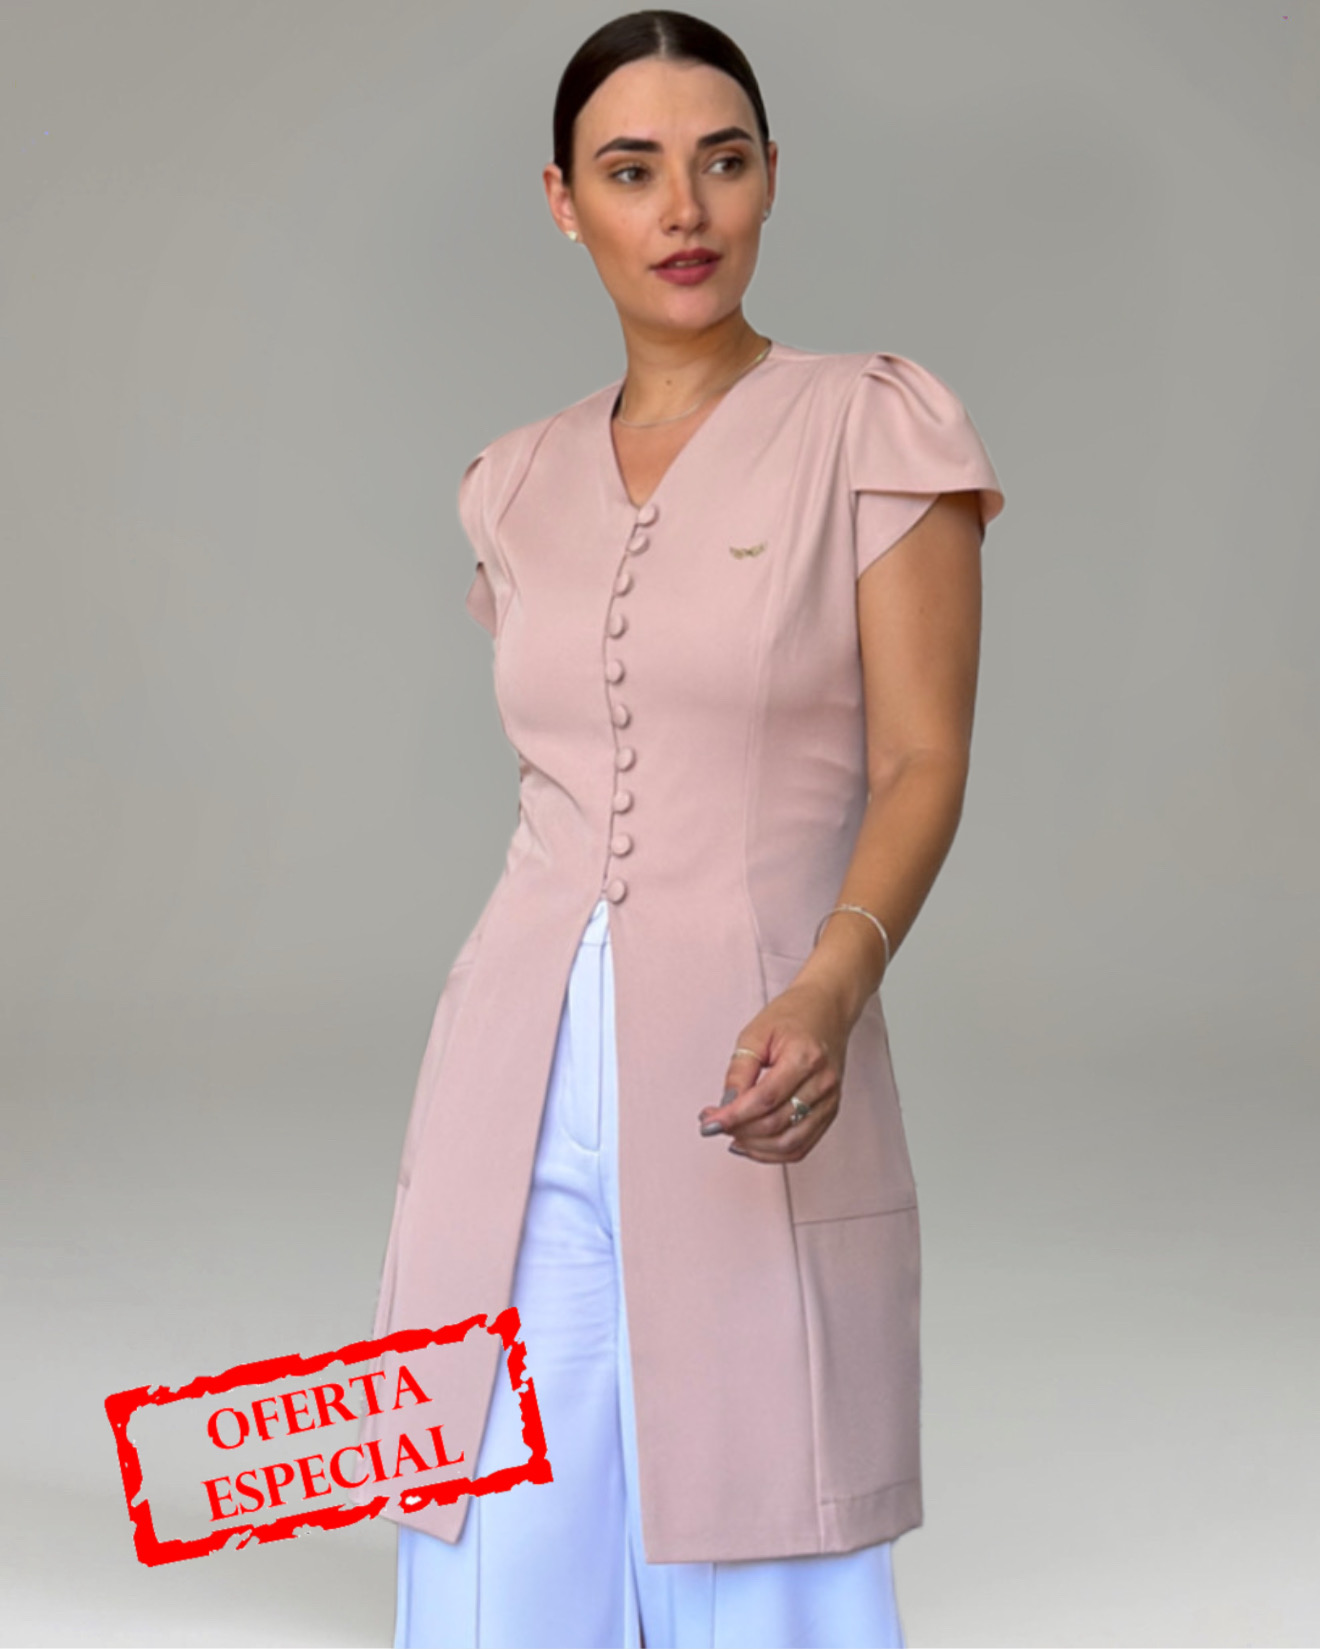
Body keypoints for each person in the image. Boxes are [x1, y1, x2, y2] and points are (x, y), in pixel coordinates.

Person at [366, 10, 1005, 1647]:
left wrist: (833, 986)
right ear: (563, 201)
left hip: (753, 1053)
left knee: (758, 1505)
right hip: (510, 1072)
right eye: (631, 170)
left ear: (772, 177)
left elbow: (923, 757)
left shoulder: (874, 425)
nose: (683, 210)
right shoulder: (512, 483)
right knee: (490, 1530)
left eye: (721, 162)